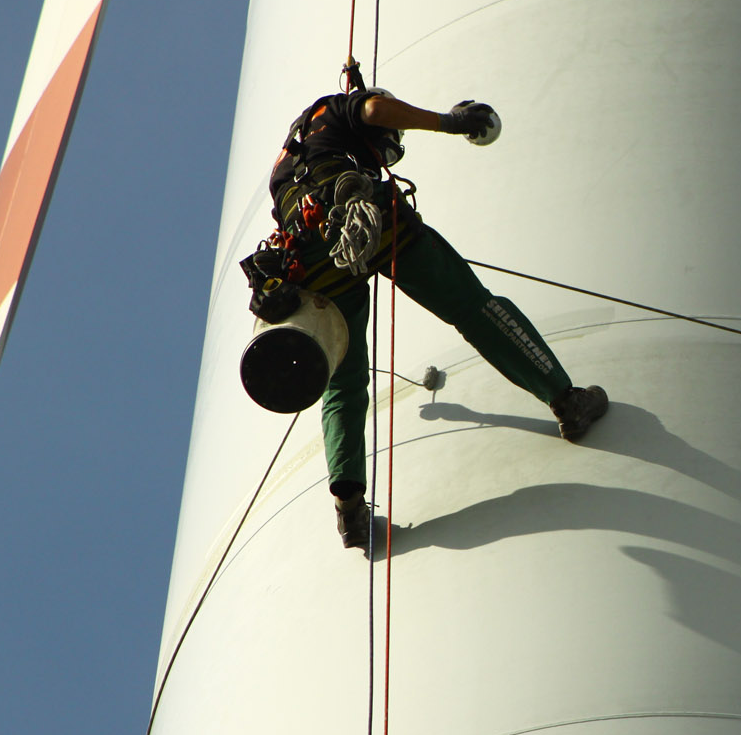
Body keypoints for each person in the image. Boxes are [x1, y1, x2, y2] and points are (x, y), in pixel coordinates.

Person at [246, 85, 607, 550]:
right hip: (360, 215)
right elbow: (374, 109)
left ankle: (350, 511)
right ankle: (566, 400)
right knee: (472, 307)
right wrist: (449, 121)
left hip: (307, 255)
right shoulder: (337, 110)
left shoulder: (285, 161)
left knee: (344, 381)